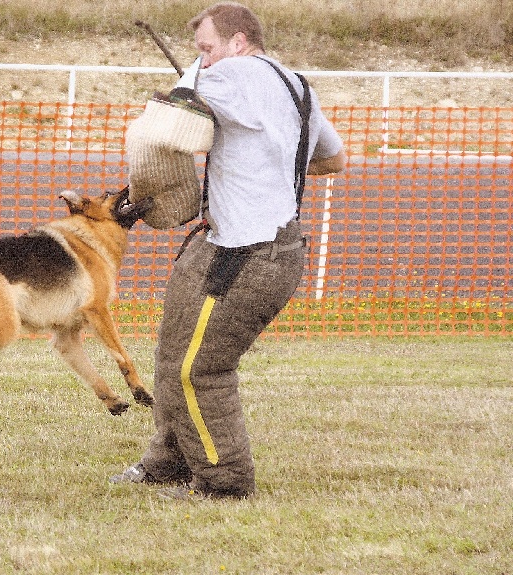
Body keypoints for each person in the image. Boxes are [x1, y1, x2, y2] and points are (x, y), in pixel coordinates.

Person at [112, 1, 347, 499]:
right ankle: (168, 460)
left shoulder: (233, 71)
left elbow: (159, 128)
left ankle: (225, 483)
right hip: (250, 246)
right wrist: (261, 163)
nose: (205, 59)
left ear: (238, 43)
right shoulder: (297, 85)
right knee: (175, 352)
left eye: (207, 48)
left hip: (244, 254)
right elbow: (333, 159)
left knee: (199, 369)